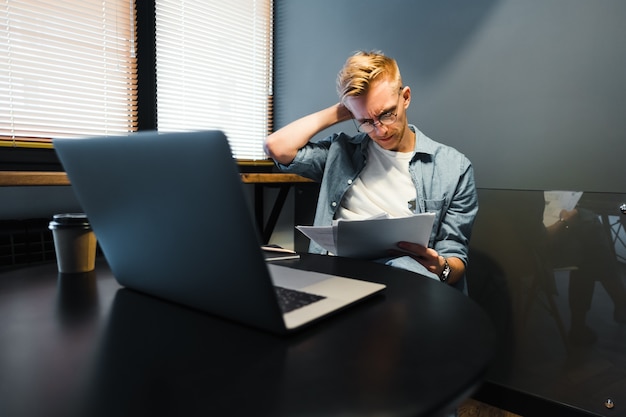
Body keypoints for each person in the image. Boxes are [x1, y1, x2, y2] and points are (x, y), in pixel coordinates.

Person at [264, 50, 478, 291]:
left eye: (387, 114)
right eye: (366, 121)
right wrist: (343, 111)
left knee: (405, 271)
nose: (380, 130)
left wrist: (441, 267)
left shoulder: (454, 168)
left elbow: (455, 263)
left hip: (406, 279)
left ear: (405, 97)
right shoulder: (341, 151)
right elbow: (276, 146)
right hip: (338, 275)